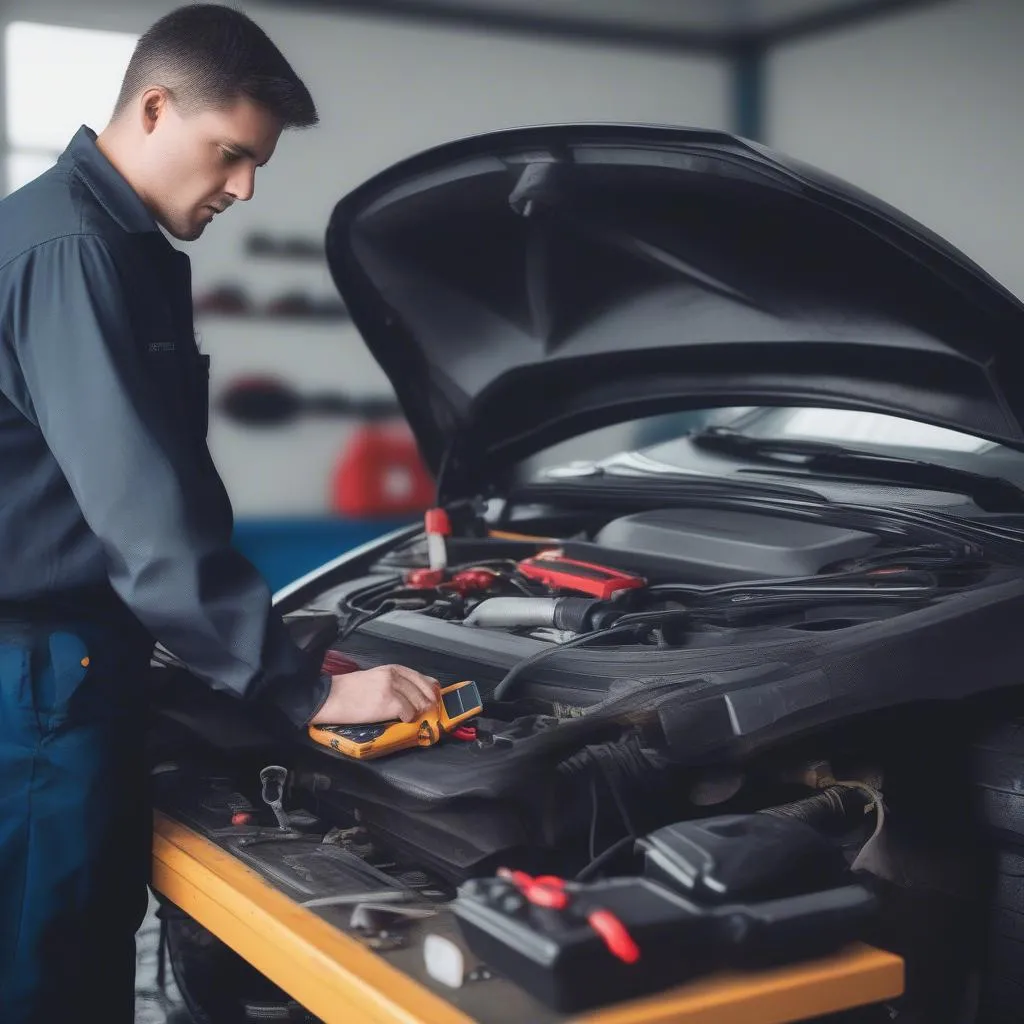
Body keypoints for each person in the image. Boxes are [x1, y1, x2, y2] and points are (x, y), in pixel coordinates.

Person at [0, 6, 438, 1021]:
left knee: (77, 937)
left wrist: (265, 650)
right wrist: (301, 693)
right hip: (40, 681)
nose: (243, 187)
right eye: (230, 153)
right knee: (45, 962)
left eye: (257, 165)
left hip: (74, 663)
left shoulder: (105, 242)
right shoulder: (72, 250)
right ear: (154, 108)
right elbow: (142, 513)